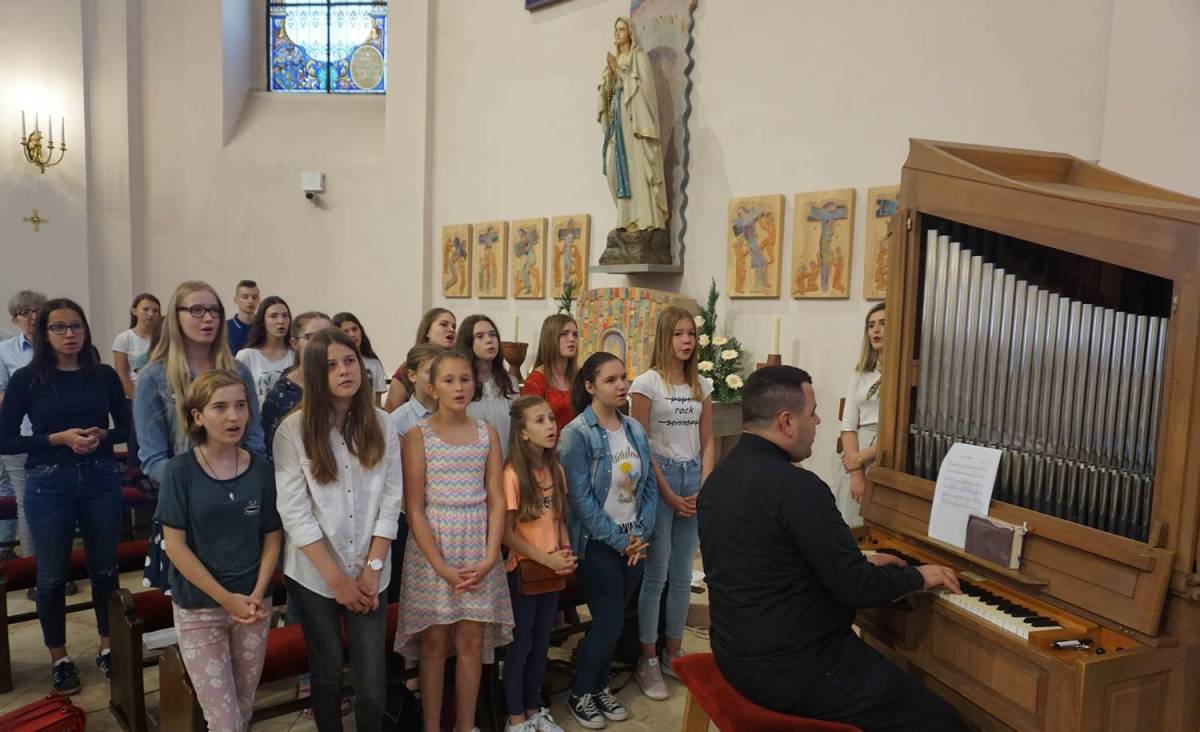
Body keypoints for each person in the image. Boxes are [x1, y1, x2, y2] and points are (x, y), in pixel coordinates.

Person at [697, 366, 965, 732]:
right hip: (795, 668)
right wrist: (918, 576)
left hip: (735, 652)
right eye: (813, 413)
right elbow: (856, 587)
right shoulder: (797, 488)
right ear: (787, 422)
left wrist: (860, 563)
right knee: (941, 722)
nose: (819, 421)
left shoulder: (720, 477)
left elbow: (773, 563)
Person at [273, 329, 402, 731]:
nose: (345, 371)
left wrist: (372, 569)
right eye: (331, 365)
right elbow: (295, 514)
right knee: (327, 671)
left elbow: (391, 501)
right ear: (314, 373)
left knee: (372, 684)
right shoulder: (293, 431)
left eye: (349, 361)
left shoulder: (382, 424)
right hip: (315, 573)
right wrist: (339, 582)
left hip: (370, 570)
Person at [0, 298, 131, 694]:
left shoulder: (102, 374)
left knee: (105, 569)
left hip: (100, 476)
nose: (70, 334)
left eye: (76, 326)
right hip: (48, 481)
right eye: (59, 327)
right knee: (52, 575)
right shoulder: (28, 378)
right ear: (44, 333)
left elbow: (127, 428)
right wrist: (56, 438)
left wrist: (104, 435)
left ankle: (108, 646)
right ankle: (59, 657)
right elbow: (6, 439)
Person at [156, 370, 282, 731]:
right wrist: (227, 599)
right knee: (223, 721)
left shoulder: (261, 468)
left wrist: (256, 593)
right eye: (221, 407)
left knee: (243, 709)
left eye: (240, 405)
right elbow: (175, 546)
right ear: (198, 416)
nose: (233, 416)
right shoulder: (180, 471)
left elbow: (272, 535)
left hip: (253, 605)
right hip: (200, 606)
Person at [394, 350, 513, 732]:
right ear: (432, 387)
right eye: (449, 380)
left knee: (472, 644)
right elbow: (414, 508)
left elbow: (497, 499)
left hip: (477, 543)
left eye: (465, 379)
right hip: (434, 548)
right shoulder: (418, 435)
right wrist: (441, 567)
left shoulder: (486, 433)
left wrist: (491, 555)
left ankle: (465, 726)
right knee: (434, 644)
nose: (459, 387)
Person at [135, 281, 265, 592]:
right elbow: (152, 458)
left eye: (214, 311)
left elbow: (254, 440)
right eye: (196, 310)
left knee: (246, 598)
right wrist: (202, 486)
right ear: (175, 317)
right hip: (187, 507)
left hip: (239, 501)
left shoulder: (238, 371)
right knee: (194, 604)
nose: (207, 318)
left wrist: (241, 484)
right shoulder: (154, 376)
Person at [558, 352, 657, 730]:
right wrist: (619, 540)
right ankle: (581, 691)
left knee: (616, 619)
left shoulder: (634, 429)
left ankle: (599, 686)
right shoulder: (576, 434)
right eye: (611, 380)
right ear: (590, 386)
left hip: (634, 540)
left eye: (624, 378)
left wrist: (641, 532)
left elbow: (648, 486)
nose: (621, 386)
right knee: (609, 620)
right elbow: (580, 500)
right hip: (598, 542)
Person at [629, 307, 714, 700]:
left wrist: (705, 486)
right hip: (659, 477)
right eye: (679, 333)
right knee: (657, 574)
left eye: (691, 334)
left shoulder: (701, 384)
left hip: (693, 476)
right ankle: (647, 657)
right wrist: (665, 492)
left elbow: (709, 440)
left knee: (683, 574)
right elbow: (640, 443)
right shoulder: (646, 383)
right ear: (665, 337)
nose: (686, 341)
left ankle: (673, 653)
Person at [501, 396, 574, 732]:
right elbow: (507, 534)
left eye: (551, 419)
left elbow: (559, 520)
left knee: (543, 642)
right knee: (522, 645)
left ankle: (533, 710)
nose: (550, 426)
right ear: (523, 432)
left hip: (551, 570)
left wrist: (566, 552)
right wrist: (545, 558)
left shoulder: (555, 470)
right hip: (525, 571)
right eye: (540, 421)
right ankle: (515, 717)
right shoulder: (513, 475)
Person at [598, 16, 668, 234]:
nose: (617, 33)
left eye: (621, 29)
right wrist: (607, 80)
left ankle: (644, 218)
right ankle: (626, 216)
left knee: (637, 166)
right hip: (617, 121)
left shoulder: (639, 58)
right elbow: (607, 94)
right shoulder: (614, 61)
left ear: (630, 32)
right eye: (616, 30)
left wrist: (619, 73)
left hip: (635, 122)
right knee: (613, 165)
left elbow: (644, 91)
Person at [0, 289, 47, 568]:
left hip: (55, 436)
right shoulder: (4, 350)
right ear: (14, 319)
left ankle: (59, 566)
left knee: (56, 504)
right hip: (20, 437)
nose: (33, 316)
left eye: (37, 310)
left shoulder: (55, 345)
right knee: (27, 504)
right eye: (25, 312)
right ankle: (34, 569)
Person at [835, 303, 885, 528]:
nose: (876, 330)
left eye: (883, 324)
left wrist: (863, 456)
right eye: (871, 325)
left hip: (885, 450)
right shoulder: (860, 374)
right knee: (849, 521)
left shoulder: (905, 374)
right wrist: (856, 470)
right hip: (857, 449)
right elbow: (848, 426)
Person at [260, 311, 332, 458]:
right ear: (295, 343)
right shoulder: (282, 394)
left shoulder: (343, 382)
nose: (323, 343)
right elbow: (273, 449)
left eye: (329, 336)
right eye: (312, 337)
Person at [457, 314, 518, 457]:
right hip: (471, 461)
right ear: (468, 343)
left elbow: (516, 428)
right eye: (480, 336)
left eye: (492, 335)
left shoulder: (510, 383)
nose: (489, 340)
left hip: (506, 460)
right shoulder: (460, 385)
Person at [384, 308, 456, 412]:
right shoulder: (407, 367)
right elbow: (391, 411)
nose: (451, 329)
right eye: (444, 324)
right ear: (427, 331)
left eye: (454, 326)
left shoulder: (458, 366)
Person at [521, 314, 579, 432]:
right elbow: (531, 427)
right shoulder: (535, 381)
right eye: (564, 334)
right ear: (550, 338)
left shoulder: (578, 377)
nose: (572, 339)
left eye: (575, 334)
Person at [235, 295, 295, 406]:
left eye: (285, 316)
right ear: (262, 321)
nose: (281, 321)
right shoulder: (246, 356)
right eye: (273, 316)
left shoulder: (296, 355)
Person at [111, 293, 161, 399]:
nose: (150, 314)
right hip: (133, 398)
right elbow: (122, 375)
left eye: (155, 311)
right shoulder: (124, 338)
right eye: (145, 309)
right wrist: (137, 398)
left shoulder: (164, 339)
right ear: (134, 311)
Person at [334, 312, 388, 406]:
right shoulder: (334, 365)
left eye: (355, 329)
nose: (352, 335)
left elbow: (377, 403)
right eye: (346, 331)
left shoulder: (374, 364)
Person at [226, 280, 260, 355]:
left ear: (259, 300)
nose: (250, 301)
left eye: (254, 297)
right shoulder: (225, 328)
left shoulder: (264, 327)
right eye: (245, 297)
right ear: (236, 300)